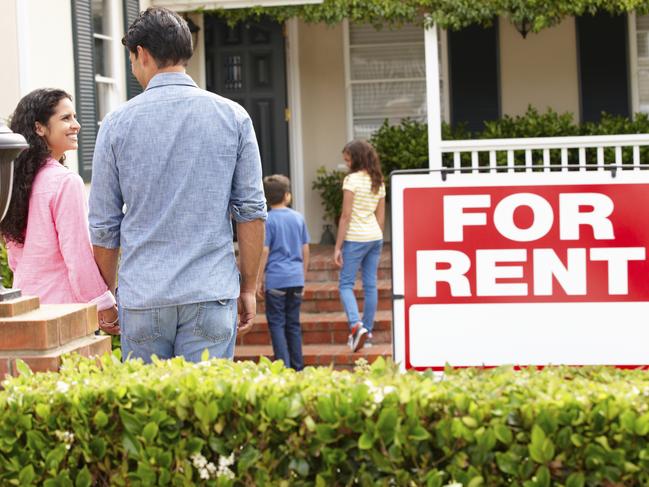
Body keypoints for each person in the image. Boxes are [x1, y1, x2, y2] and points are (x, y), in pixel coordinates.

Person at [88, 7, 266, 363]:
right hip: (210, 289)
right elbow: (251, 212)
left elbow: (105, 226)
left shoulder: (116, 124)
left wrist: (105, 296)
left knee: (146, 413)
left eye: (132, 60)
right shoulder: (233, 116)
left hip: (144, 295)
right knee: (206, 414)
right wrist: (248, 286)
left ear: (142, 54)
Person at [2, 89, 118, 333]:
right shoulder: (65, 182)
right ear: (39, 128)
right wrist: (104, 304)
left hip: (26, 309)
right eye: (65, 118)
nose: (76, 125)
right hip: (65, 312)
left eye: (74, 117)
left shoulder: (15, 182)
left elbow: (14, 259)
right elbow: (77, 256)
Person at [334, 140, 385, 352]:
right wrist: (377, 236)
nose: (346, 163)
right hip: (374, 237)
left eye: (347, 159)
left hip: (355, 238)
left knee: (345, 284)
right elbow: (381, 217)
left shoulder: (351, 180)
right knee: (370, 285)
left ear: (357, 158)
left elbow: (345, 216)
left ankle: (356, 326)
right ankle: (368, 331)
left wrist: (338, 246)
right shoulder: (378, 180)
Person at [257, 175, 310, 370]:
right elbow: (305, 249)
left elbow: (264, 250)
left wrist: (258, 280)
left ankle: (283, 368)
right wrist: (303, 277)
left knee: (277, 324)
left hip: (276, 280)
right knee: (293, 325)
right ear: (287, 196)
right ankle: (298, 367)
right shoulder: (298, 218)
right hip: (296, 278)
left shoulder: (267, 220)